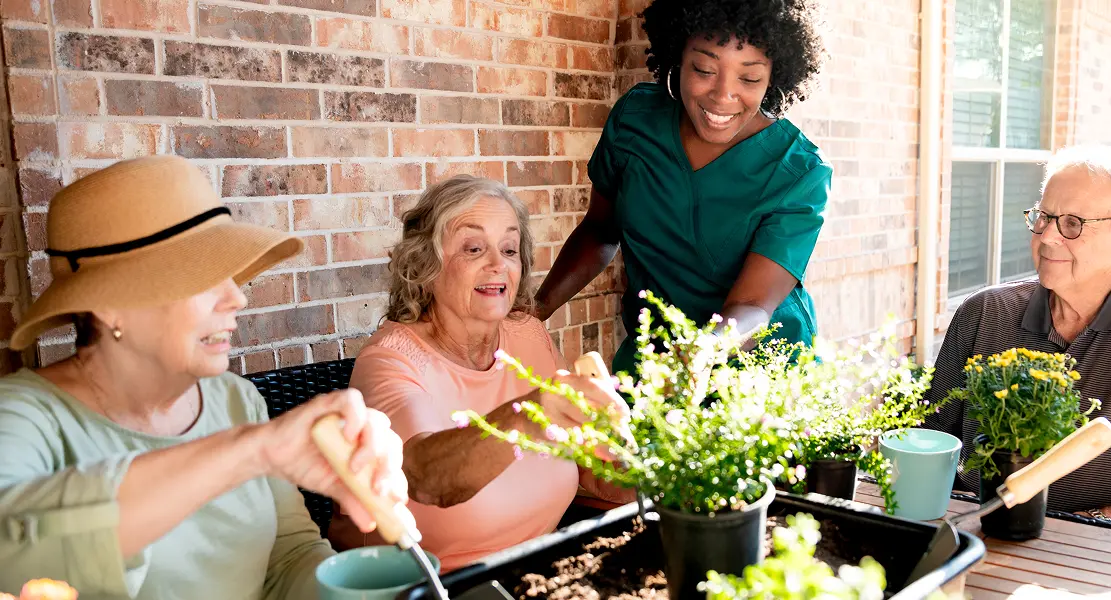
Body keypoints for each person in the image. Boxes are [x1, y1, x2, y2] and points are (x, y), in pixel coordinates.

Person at [0, 156, 408, 598]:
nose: (237, 297)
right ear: (108, 304)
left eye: (230, 275)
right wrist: (251, 450)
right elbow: (11, 553)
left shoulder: (235, 400)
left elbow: (287, 558)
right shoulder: (22, 417)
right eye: (202, 276)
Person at [328, 175, 632, 571]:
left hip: (537, 573)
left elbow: (590, 467)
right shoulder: (390, 360)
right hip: (423, 588)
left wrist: (665, 469)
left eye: (509, 249)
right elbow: (426, 477)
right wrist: (529, 414)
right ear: (426, 266)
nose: (497, 264)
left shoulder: (526, 335)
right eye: (473, 248)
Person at [925, 144, 1111, 531]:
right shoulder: (983, 313)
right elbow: (928, 443)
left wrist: (1082, 528)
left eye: (1072, 224)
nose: (1046, 238)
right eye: (1044, 217)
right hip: (976, 537)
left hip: (1096, 559)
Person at [532, 0, 832, 375]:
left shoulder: (798, 172)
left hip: (758, 375)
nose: (723, 95)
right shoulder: (635, 122)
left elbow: (754, 304)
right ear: (678, 56)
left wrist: (704, 350)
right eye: (704, 69)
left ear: (776, 76)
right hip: (654, 361)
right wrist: (535, 310)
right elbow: (600, 230)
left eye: (750, 78)